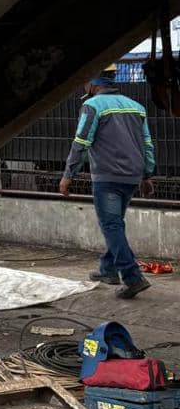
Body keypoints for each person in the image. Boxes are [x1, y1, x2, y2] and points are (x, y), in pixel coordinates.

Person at [60, 65, 155, 299]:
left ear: (93, 83)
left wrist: (68, 175)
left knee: (111, 225)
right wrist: (147, 175)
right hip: (132, 176)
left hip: (108, 177)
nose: (84, 86)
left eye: (85, 81)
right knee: (115, 223)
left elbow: (81, 142)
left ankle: (132, 277)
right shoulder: (136, 107)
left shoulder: (92, 106)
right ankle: (108, 270)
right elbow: (148, 144)